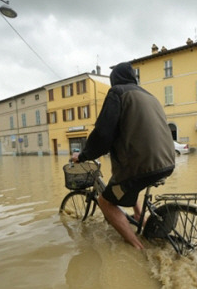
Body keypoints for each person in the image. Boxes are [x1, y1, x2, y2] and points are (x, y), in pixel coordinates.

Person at [71, 62, 175, 250]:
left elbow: (103, 133)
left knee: (105, 201)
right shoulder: (149, 96)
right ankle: (138, 216)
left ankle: (138, 248)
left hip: (142, 164)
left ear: (114, 79)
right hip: (167, 160)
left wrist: (84, 155)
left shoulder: (117, 93)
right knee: (127, 181)